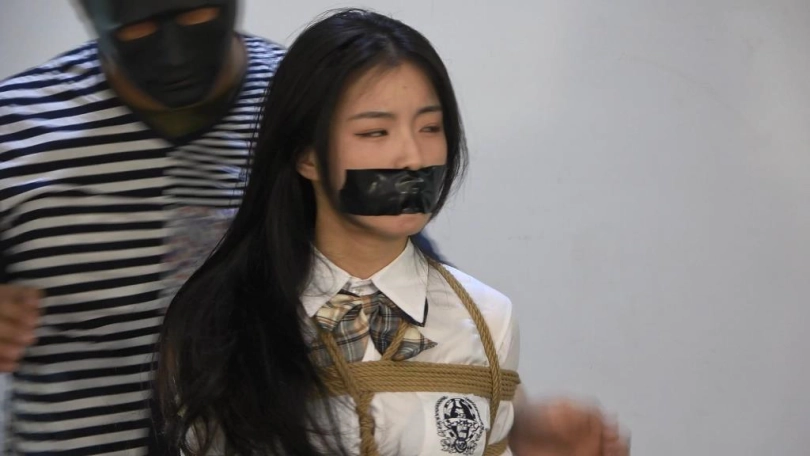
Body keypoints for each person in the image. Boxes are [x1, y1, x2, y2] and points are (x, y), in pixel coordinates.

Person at [154, 9, 629, 456]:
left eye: (430, 127)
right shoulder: (219, 322)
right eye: (375, 133)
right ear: (306, 155)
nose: (412, 157)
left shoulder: (487, 320)